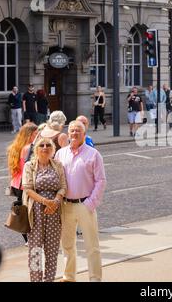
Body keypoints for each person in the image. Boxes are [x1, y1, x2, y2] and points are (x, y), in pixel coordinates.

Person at [55, 120, 107, 282]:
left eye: (78, 131)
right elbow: (56, 178)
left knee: (92, 246)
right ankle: (69, 276)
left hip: (85, 205)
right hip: (65, 206)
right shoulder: (60, 154)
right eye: (72, 131)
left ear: (84, 134)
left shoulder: (93, 154)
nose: (75, 133)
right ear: (68, 134)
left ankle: (95, 278)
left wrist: (90, 203)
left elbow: (101, 181)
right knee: (68, 245)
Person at [22, 137, 67, 282]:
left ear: (53, 149)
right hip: (35, 213)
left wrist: (55, 201)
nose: (45, 147)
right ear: (36, 149)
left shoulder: (57, 165)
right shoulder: (30, 165)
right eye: (42, 145)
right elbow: (27, 189)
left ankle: (49, 280)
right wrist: (45, 201)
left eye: (48, 145)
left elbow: (63, 186)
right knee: (35, 251)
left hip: (54, 212)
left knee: (52, 251)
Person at [7, 122, 38, 244]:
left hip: (16, 184)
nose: (37, 136)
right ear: (30, 134)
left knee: (22, 211)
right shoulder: (29, 148)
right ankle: (31, 239)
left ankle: (27, 239)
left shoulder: (14, 147)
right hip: (25, 184)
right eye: (36, 133)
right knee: (29, 212)